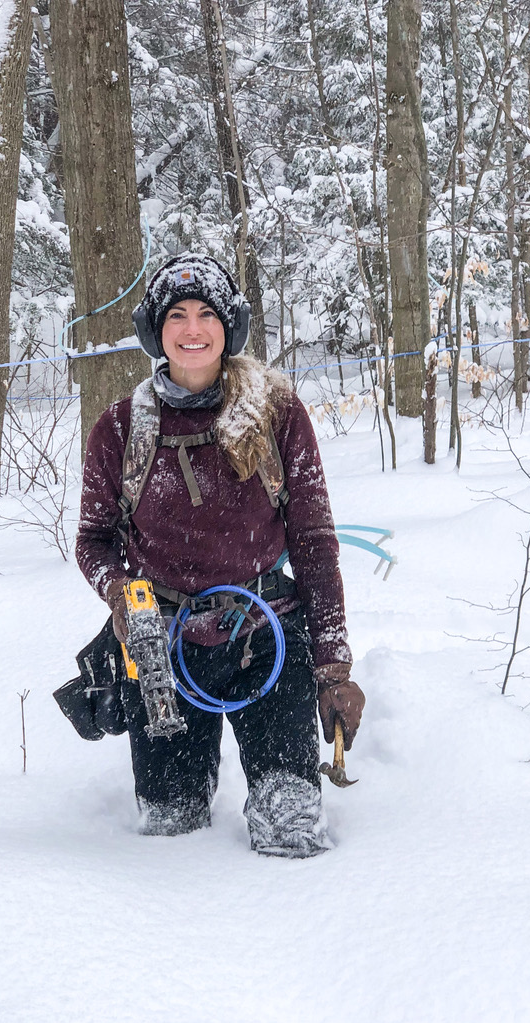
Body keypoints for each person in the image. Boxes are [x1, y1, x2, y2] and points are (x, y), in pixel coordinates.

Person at [75, 253, 364, 857]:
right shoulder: (121, 428)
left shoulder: (278, 413)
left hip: (269, 635)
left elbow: (314, 543)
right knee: (170, 833)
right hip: (163, 648)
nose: (192, 329)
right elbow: (94, 540)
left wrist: (333, 669)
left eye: (207, 313)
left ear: (229, 324)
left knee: (293, 836)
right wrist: (123, 598)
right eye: (176, 314)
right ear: (155, 330)